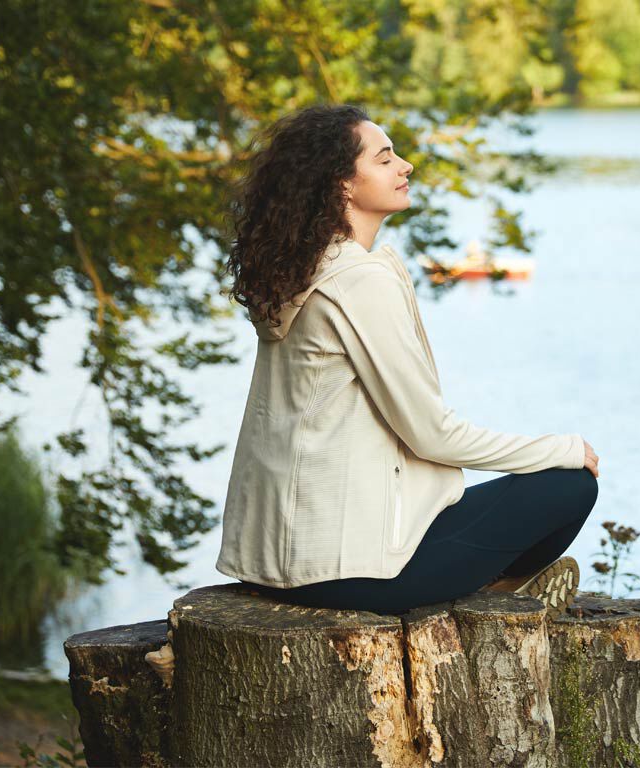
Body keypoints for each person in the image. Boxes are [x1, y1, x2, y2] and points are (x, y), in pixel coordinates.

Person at [214, 103, 600, 618]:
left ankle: (477, 591)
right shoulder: (358, 280)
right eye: (384, 158)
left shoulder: (303, 271)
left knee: (521, 488)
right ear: (342, 184)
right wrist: (565, 448)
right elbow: (431, 434)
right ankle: (481, 598)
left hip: (279, 562)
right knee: (569, 485)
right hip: (349, 573)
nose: (405, 166)